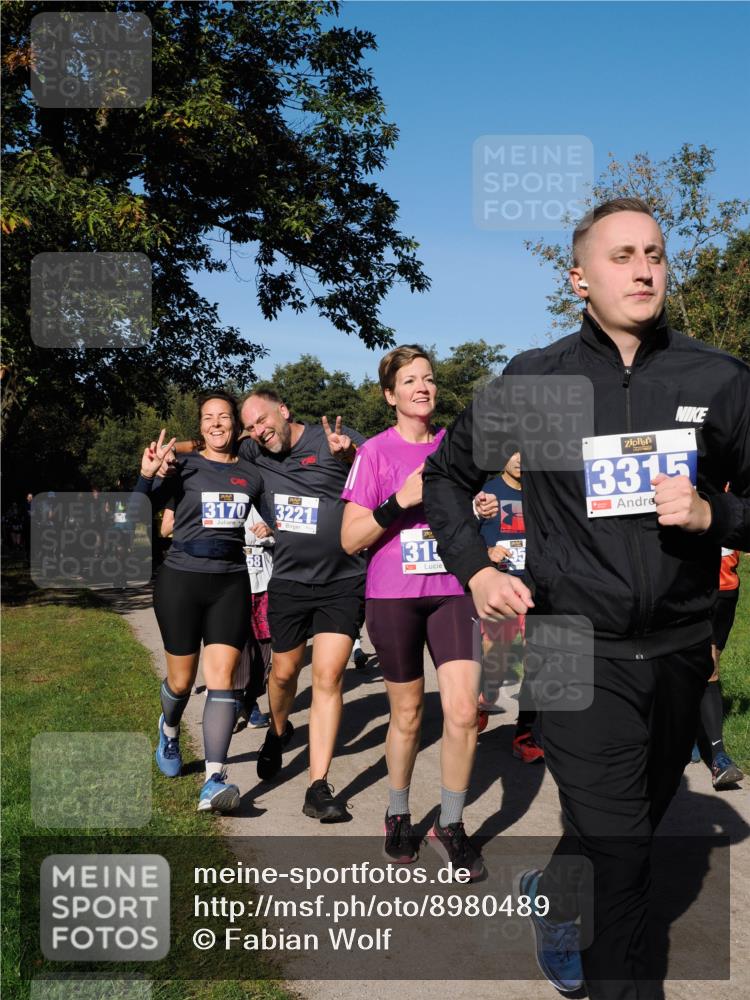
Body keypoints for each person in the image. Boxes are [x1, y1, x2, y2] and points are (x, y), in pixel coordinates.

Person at [423, 198, 750, 998]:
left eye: (655, 254)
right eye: (621, 256)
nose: (643, 270)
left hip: (678, 650)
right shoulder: (537, 379)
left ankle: (552, 893)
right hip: (570, 646)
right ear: (579, 279)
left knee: (628, 825)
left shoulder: (718, 378)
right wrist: (476, 571)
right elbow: (445, 476)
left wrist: (715, 516)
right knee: (623, 854)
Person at [341, 345, 485, 879]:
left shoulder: (455, 448)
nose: (422, 387)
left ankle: (450, 823)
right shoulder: (374, 453)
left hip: (453, 590)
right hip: (393, 596)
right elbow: (349, 539)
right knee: (406, 714)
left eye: (427, 378)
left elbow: (476, 509)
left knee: (463, 711)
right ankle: (398, 812)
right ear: (390, 395)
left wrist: (481, 509)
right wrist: (399, 501)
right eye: (409, 380)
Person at [237, 392, 366, 822]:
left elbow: (380, 474)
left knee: (328, 677)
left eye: (263, 420)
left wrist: (351, 457)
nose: (259, 431)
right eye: (251, 427)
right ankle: (278, 732)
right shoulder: (254, 452)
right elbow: (212, 447)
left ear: (284, 410)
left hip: (342, 581)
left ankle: (318, 786)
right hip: (289, 582)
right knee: (284, 673)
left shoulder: (334, 439)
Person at [136, 392, 264, 813]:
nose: (216, 423)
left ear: (235, 424)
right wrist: (146, 477)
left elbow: (275, 517)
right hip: (181, 581)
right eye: (208, 417)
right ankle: (169, 729)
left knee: (223, 678)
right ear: (201, 426)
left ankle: (214, 778)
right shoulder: (183, 466)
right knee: (181, 681)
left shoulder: (252, 474)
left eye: (223, 416)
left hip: (231, 582)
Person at [477, 452, 543, 763]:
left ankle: (524, 734)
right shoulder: (486, 494)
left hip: (537, 588)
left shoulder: (544, 492)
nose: (519, 458)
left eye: (525, 450)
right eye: (512, 451)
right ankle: (484, 699)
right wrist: (487, 551)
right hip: (500, 588)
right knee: (497, 661)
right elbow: (461, 536)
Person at [694, 547, 744, 788]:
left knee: (710, 665)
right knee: (705, 663)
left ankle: (695, 732)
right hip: (693, 587)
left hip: (726, 591)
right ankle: (718, 755)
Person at [232, 504, 274, 732]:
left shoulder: (268, 500)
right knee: (239, 641)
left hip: (265, 579)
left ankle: (251, 700)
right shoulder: (231, 499)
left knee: (264, 643)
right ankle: (235, 698)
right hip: (235, 579)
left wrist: (271, 531)